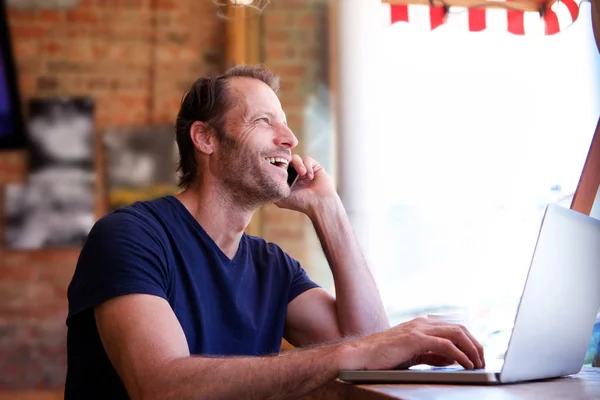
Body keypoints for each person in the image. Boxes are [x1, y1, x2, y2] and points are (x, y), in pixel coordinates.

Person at [65, 64, 485, 400]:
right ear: (206, 138)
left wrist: (329, 211)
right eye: (265, 121)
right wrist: (354, 352)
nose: (290, 138)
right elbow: (161, 387)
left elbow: (373, 359)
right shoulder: (129, 237)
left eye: (285, 124)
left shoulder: (273, 267)